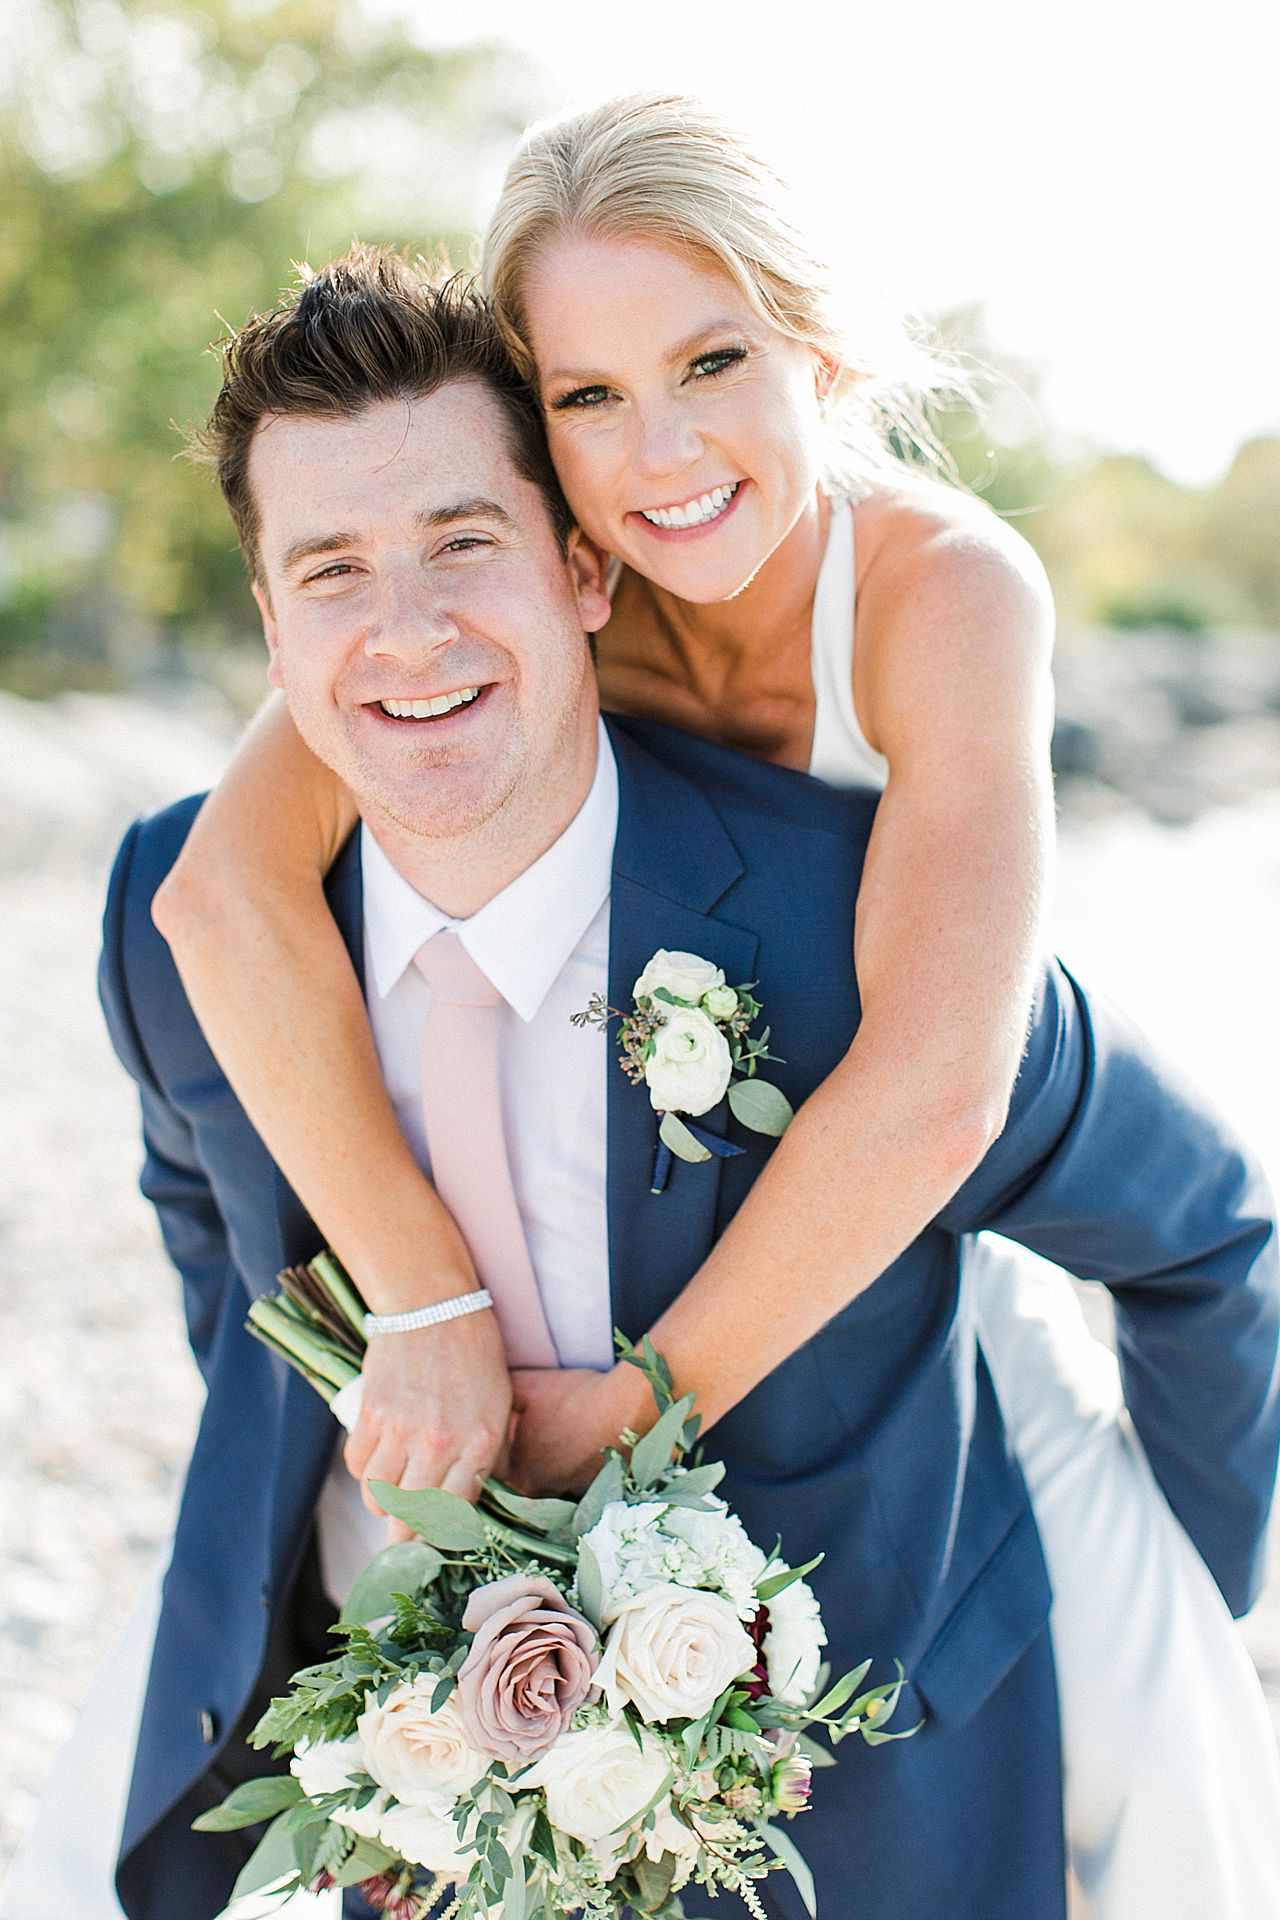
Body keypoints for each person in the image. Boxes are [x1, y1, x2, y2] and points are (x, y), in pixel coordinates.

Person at [147, 97, 1280, 1914]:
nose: (658, 453)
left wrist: (631, 1412)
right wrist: (422, 1295)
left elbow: (933, 1094)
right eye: (586, 398)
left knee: (1163, 1777)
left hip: (931, 1217)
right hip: (660, 1234)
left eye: (712, 362)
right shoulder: (529, 598)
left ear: (816, 350)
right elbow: (219, 893)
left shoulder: (943, 593)